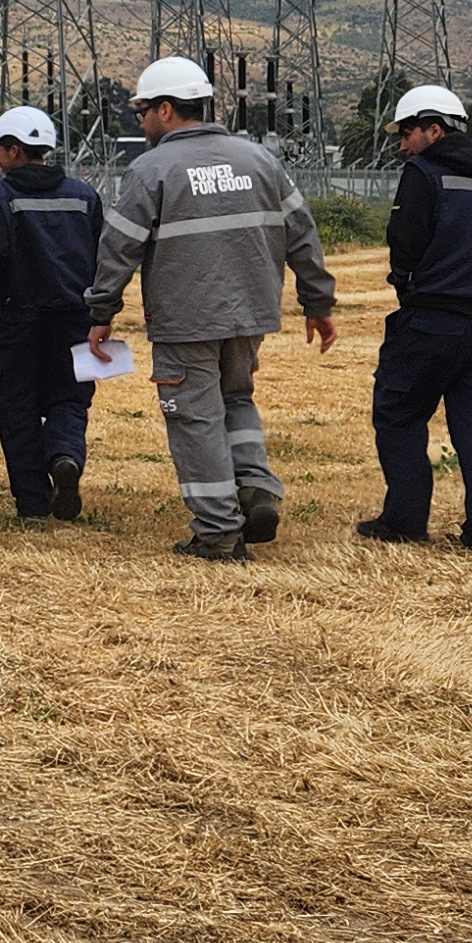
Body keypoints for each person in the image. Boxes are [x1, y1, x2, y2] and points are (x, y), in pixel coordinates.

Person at [83, 55, 337, 563]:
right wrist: (317, 301)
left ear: (167, 109)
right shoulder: (259, 160)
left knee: (194, 416)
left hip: (186, 319)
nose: (141, 121)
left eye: (143, 111)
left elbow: (119, 247)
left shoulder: (151, 168)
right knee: (237, 399)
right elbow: (301, 233)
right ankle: (255, 488)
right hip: (250, 313)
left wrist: (101, 310)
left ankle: (218, 530)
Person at [359, 83, 472, 553]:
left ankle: (405, 519)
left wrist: (407, 285)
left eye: (407, 133)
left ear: (434, 129)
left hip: (431, 321)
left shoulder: (423, 175)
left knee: (398, 413)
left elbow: (404, 244)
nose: (401, 145)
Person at [0, 105, 101, 524]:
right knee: (71, 397)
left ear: (15, 150)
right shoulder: (85, 196)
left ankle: (32, 504)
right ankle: (65, 454)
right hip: (77, 317)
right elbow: (103, 254)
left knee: (17, 406)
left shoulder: (1, 197)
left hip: (18, 318)